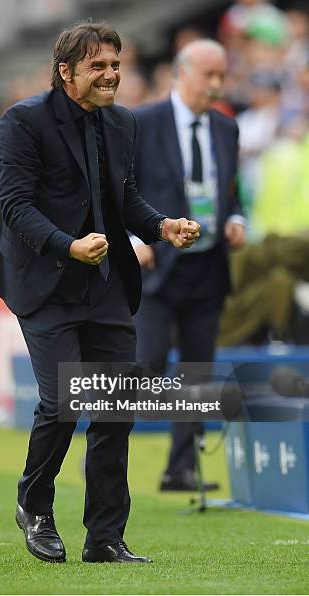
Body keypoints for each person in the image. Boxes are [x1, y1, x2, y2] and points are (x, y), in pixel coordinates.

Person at [0, 21, 200, 564]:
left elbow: (123, 198)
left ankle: (104, 537)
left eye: (116, 65)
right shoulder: (22, 121)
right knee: (63, 402)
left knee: (114, 408)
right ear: (66, 72)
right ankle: (34, 503)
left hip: (104, 282)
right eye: (97, 66)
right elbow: (14, 205)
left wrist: (160, 226)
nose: (110, 75)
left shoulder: (121, 122)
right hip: (44, 279)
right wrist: (68, 246)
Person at [132, 39, 246, 492]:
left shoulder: (226, 128)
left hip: (209, 266)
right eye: (209, 75)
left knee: (197, 373)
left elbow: (228, 190)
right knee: (145, 365)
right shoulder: (143, 123)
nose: (216, 85)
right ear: (183, 73)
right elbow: (124, 190)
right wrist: (135, 240)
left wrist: (235, 219)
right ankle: (100, 457)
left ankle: (180, 469)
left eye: (222, 76)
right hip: (156, 263)